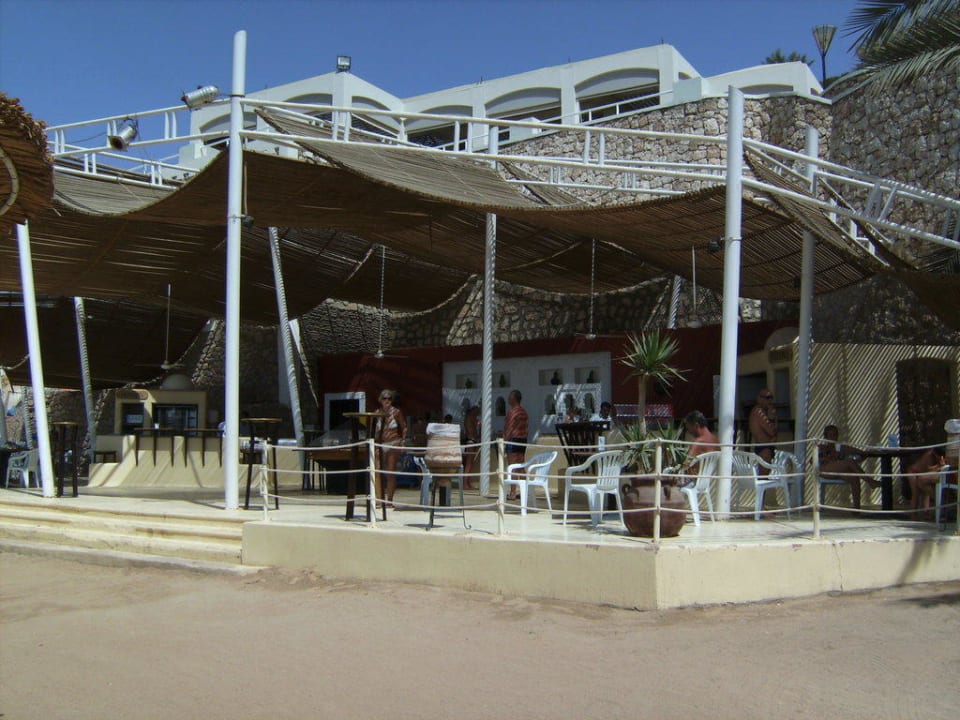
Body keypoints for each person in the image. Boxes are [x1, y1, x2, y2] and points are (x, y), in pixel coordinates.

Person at [818, 425, 879, 510]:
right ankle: (870, 481)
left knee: (854, 477)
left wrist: (866, 453)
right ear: (825, 436)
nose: (833, 438)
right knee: (849, 461)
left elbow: (860, 453)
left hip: (839, 471)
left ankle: (856, 509)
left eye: (835, 435)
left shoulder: (840, 447)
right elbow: (812, 461)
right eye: (831, 435)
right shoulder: (822, 447)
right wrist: (825, 456)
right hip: (825, 470)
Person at [375, 389, 407, 506]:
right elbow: (374, 429)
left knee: (390, 472)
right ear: (380, 400)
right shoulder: (377, 412)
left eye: (389, 398)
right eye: (385, 398)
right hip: (381, 443)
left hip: (394, 442)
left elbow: (403, 427)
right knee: (377, 471)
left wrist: (403, 442)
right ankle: (379, 499)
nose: (387, 400)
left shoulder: (396, 412)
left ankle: (389, 500)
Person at [502, 390, 528, 501]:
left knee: (512, 466)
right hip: (522, 440)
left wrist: (505, 442)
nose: (508, 399)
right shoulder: (524, 412)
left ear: (514, 398)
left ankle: (513, 492)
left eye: (509, 397)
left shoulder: (513, 412)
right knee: (521, 466)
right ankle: (525, 491)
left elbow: (510, 428)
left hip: (513, 440)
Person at [906, 446, 946, 518]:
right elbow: (929, 468)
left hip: (922, 474)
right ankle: (913, 514)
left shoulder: (937, 456)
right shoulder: (929, 455)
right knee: (916, 494)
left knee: (926, 493)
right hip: (913, 472)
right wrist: (939, 465)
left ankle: (926, 513)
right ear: (935, 453)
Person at [748, 389, 778, 465]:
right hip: (764, 448)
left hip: (766, 446)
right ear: (760, 399)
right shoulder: (759, 412)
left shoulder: (763, 412)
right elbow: (772, 431)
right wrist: (773, 417)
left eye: (771, 397)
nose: (770, 400)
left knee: (766, 474)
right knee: (763, 475)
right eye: (767, 398)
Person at [461, 405, 481, 491]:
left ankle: (468, 482)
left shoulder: (472, 419)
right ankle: (465, 483)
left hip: (473, 440)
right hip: (471, 441)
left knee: (471, 464)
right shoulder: (469, 419)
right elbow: (472, 432)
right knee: (469, 464)